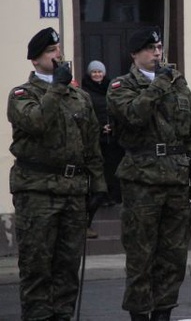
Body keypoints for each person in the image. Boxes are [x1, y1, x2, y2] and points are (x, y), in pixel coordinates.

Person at [106, 26, 191, 321]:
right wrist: (158, 85)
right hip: (142, 180)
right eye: (150, 49)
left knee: (173, 256)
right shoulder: (121, 86)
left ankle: (164, 313)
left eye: (159, 47)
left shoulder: (177, 84)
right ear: (135, 54)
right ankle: (140, 313)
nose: (157, 53)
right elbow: (135, 115)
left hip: (176, 179)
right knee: (141, 256)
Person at [7, 27, 107, 320]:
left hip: (73, 191)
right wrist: (56, 89)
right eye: (51, 52)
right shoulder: (22, 95)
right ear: (35, 61)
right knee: (37, 267)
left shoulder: (79, 97)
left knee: (67, 268)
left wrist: (98, 184)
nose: (58, 56)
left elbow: (91, 144)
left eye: (58, 50)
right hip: (37, 191)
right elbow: (36, 122)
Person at [82, 60, 125, 211]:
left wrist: (113, 126)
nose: (97, 74)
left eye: (99, 71)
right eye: (94, 72)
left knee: (113, 167)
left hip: (113, 138)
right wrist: (100, 128)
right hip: (96, 138)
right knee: (99, 168)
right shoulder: (85, 91)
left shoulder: (111, 88)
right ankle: (101, 197)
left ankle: (114, 195)